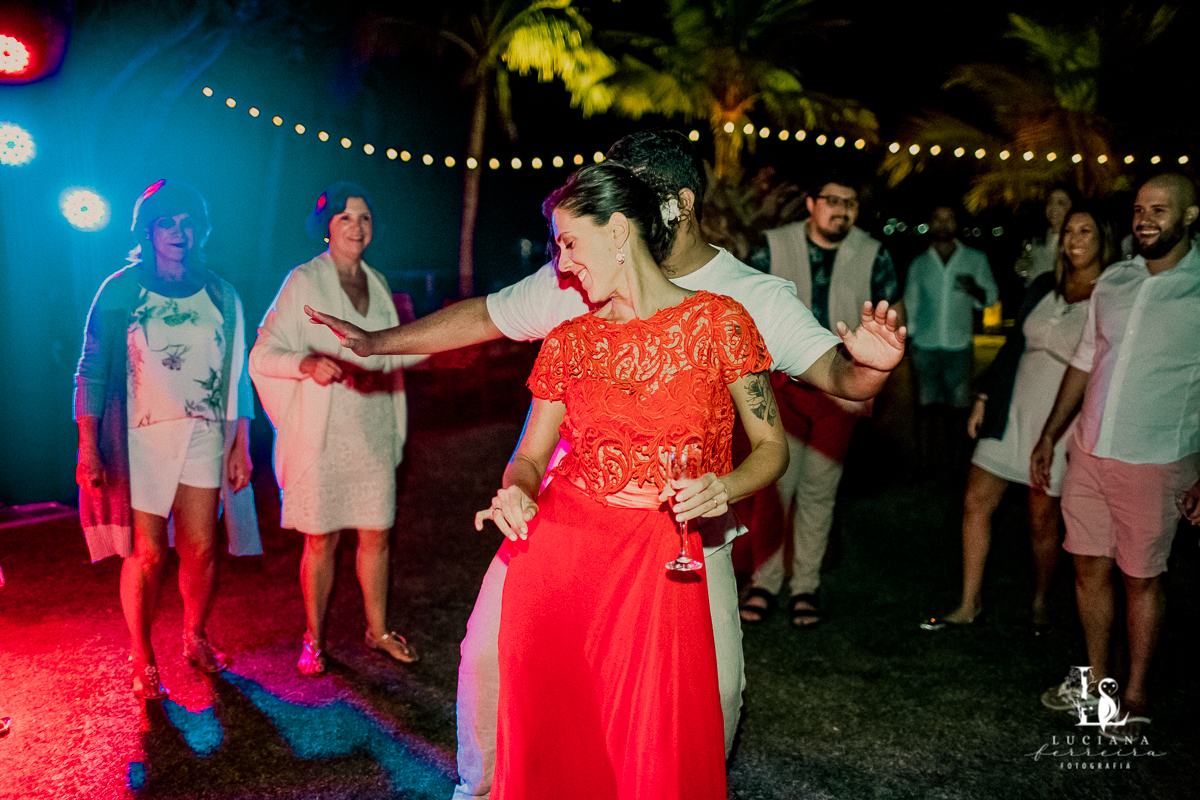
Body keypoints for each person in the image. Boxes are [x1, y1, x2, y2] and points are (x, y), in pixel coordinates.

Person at [308, 130, 905, 799]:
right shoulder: (574, 282)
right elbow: (487, 318)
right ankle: (484, 789)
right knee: (490, 657)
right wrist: (376, 342)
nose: (568, 255)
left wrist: (869, 371)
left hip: (684, 530)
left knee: (718, 690)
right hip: (572, 513)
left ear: (667, 208)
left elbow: (834, 378)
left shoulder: (745, 301)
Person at [474, 159, 787, 799]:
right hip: (562, 552)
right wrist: (518, 489)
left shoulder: (718, 323)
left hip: (661, 554)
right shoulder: (568, 340)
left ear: (618, 230)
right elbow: (530, 455)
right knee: (560, 730)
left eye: (568, 243)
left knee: (657, 735)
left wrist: (723, 488)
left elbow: (771, 447)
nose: (561, 265)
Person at [74, 180, 259, 699]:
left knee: (201, 547)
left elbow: (238, 373)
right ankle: (142, 653)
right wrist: (88, 445)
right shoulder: (119, 289)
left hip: (202, 434)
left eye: (188, 223)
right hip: (136, 442)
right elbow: (89, 369)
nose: (180, 233)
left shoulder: (221, 292)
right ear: (147, 229)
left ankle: (194, 636)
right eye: (168, 223)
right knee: (147, 554)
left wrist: (240, 444)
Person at [1033, 174, 1200, 735]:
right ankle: (1096, 680)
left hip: (1156, 459)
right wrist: (1050, 434)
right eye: (1139, 209)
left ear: (1191, 215)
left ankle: (1135, 692)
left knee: (1142, 579)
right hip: (1090, 449)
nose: (1146, 218)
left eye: (1160, 209)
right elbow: (1085, 361)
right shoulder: (1114, 281)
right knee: (1087, 568)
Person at [250, 183, 421, 675]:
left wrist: (445, 349)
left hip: (372, 425)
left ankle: (379, 630)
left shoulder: (379, 283)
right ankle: (315, 638)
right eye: (346, 217)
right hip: (322, 431)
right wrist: (304, 361)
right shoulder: (303, 280)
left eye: (365, 218)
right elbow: (262, 353)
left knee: (378, 533)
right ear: (325, 226)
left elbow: (395, 351)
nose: (357, 227)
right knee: (321, 538)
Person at [921, 202, 1115, 633]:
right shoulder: (1045, 285)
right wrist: (985, 395)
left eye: (1086, 231)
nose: (1075, 239)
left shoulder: (1111, 296)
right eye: (1069, 231)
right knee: (975, 502)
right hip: (1010, 409)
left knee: (1041, 518)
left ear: (1104, 239)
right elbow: (1012, 346)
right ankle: (969, 603)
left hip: (1062, 421)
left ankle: (1042, 601)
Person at [739, 171, 902, 628]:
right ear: (811, 203)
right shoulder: (771, 246)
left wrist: (877, 377)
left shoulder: (873, 253)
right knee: (773, 490)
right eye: (832, 199)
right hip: (777, 387)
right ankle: (765, 583)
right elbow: (741, 307)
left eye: (850, 202)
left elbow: (892, 311)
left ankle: (805, 586)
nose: (842, 210)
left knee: (819, 490)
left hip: (839, 392)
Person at [904, 204, 1000, 468]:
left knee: (959, 410)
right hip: (924, 346)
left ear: (956, 224)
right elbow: (911, 303)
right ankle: (924, 463)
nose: (943, 224)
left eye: (949, 219)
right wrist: (908, 340)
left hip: (959, 345)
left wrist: (975, 289)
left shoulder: (974, 258)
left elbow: (991, 297)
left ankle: (957, 465)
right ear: (930, 224)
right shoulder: (920, 263)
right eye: (938, 219)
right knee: (925, 409)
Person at [1017, 185, 1076, 286]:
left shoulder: (1075, 241)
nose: (1053, 208)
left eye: (1061, 203)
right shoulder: (1038, 237)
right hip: (1034, 295)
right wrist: (1023, 267)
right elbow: (1031, 268)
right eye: (1050, 202)